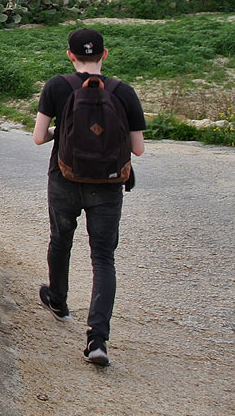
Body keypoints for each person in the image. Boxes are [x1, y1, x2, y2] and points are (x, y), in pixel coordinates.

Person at [32, 27, 146, 367]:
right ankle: (97, 340)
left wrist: (60, 130)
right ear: (104, 54)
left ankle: (59, 301)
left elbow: (39, 138)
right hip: (108, 186)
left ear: (70, 55)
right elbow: (137, 149)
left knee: (61, 241)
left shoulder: (56, 86)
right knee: (103, 258)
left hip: (64, 179)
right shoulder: (123, 92)